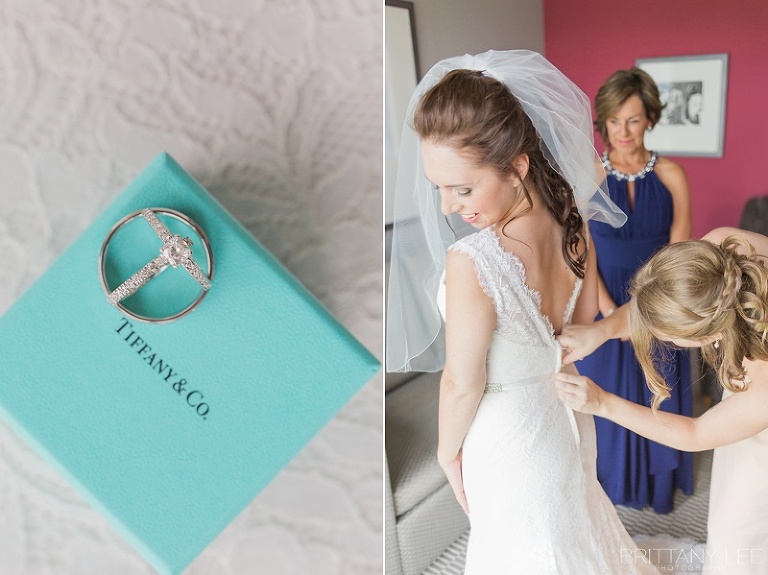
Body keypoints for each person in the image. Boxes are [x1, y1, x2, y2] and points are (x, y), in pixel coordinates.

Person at [386, 50, 658, 574]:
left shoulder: (471, 261)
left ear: (517, 166)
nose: (447, 206)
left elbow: (461, 385)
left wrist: (446, 454)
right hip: (565, 417)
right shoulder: (576, 226)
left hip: (510, 440)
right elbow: (576, 334)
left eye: (462, 188)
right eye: (438, 187)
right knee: (572, 542)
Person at [555, 226, 768, 574]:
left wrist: (603, 403)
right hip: (750, 399)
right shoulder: (719, 251)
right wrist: (601, 331)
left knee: (741, 530)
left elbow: (695, 433)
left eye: (665, 337)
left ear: (710, 334)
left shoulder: (763, 390)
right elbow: (659, 300)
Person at [574, 67, 693, 513]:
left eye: (634, 120)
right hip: (601, 302)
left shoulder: (672, 175)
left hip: (660, 306)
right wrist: (609, 312)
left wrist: (647, 314)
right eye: (614, 121)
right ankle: (612, 486)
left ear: (649, 120)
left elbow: (681, 255)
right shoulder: (586, 174)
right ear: (602, 122)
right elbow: (580, 249)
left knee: (656, 398)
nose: (623, 132)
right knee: (610, 398)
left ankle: (657, 488)